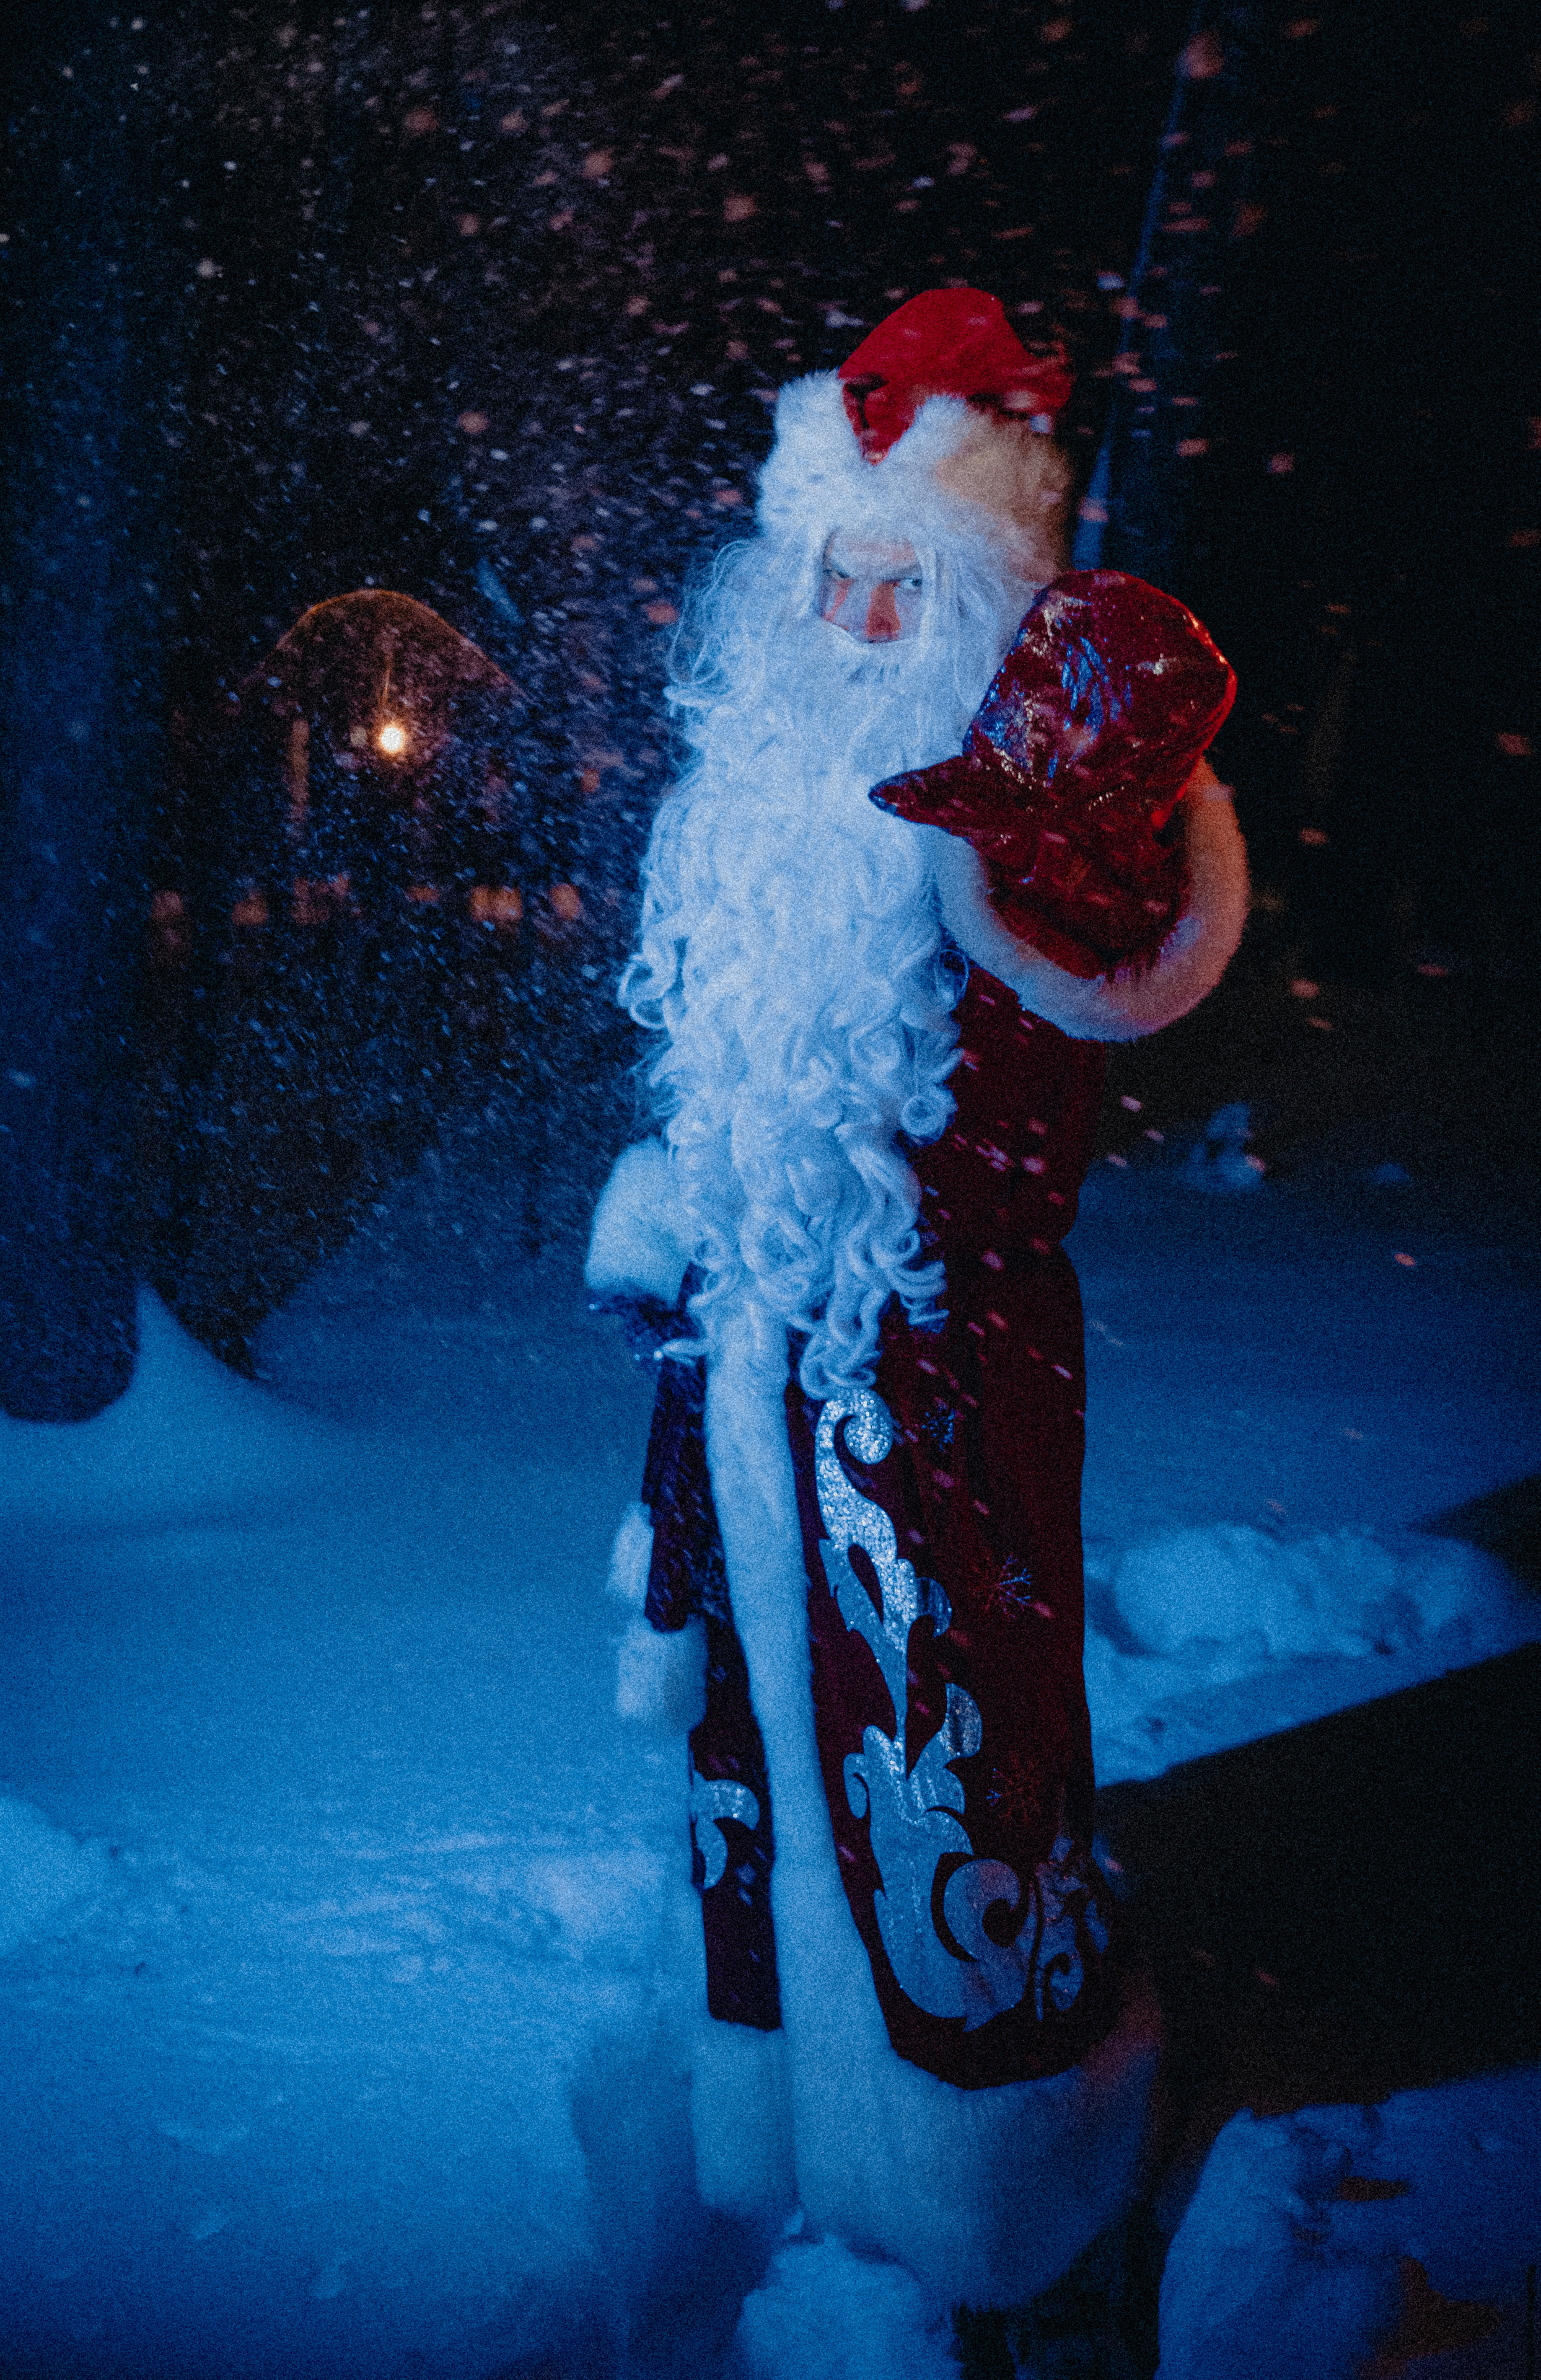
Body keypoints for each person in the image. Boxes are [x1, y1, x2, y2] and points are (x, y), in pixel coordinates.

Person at [586, 289, 1249, 2324]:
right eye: (834, 581)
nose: (861, 632)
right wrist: (678, 1223)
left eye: (912, 588)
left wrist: (1096, 798)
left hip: (942, 1381)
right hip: (751, 1373)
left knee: (947, 1760)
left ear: (989, 607)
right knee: (764, 1758)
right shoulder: (754, 808)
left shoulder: (1033, 815)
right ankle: (798, 2151)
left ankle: (995, 2177)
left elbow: (1122, 903)